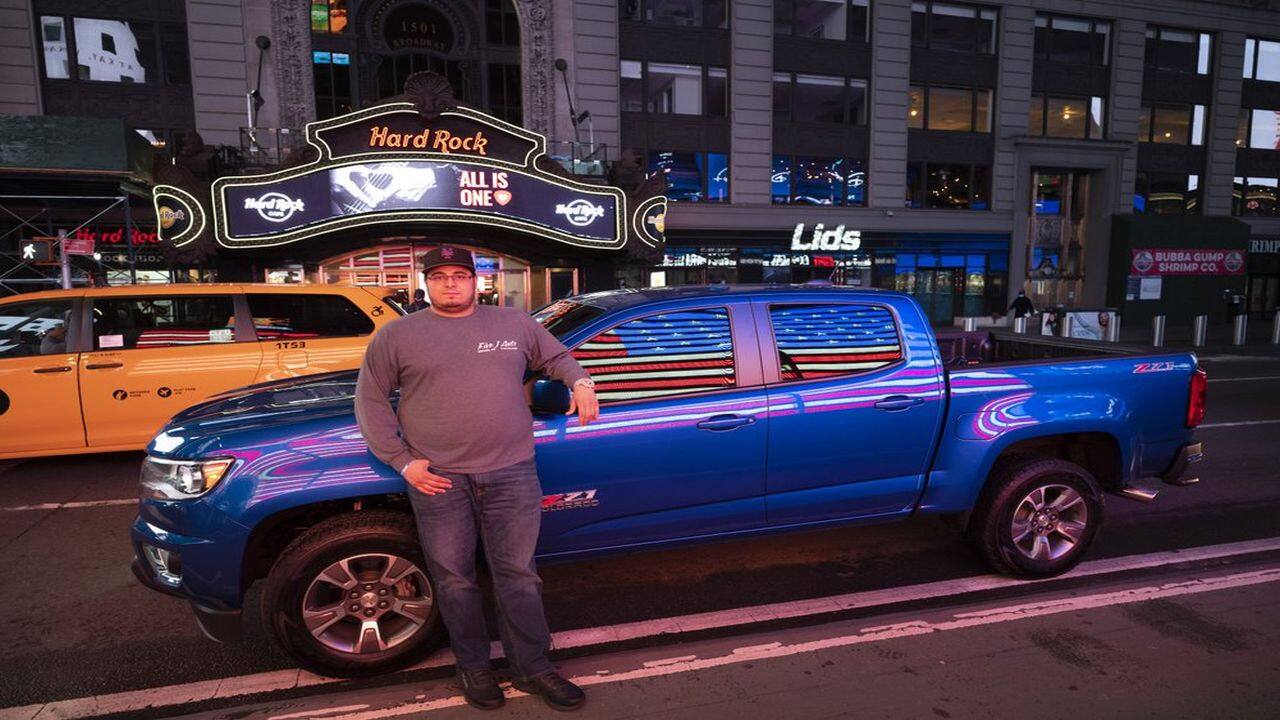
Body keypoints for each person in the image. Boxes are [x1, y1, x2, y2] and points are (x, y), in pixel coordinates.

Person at [354, 245, 599, 712]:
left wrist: (581, 382)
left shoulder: (513, 324)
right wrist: (403, 462)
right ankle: (474, 665)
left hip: (511, 472)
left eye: (460, 275)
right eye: (440, 275)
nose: (451, 283)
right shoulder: (397, 336)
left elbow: (559, 358)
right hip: (439, 478)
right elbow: (369, 401)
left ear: (475, 281)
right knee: (455, 580)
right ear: (426, 282)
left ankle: (533, 667)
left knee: (519, 576)